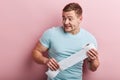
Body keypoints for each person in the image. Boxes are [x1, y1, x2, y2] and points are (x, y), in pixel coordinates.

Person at [32, 2, 100, 80]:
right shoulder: (51, 33)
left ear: (80, 19)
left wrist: (94, 59)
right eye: (64, 18)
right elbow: (36, 52)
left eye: (70, 19)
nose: (65, 22)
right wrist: (45, 61)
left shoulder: (90, 39)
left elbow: (93, 68)